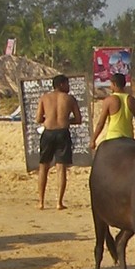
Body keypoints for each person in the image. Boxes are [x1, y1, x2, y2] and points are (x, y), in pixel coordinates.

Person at [35, 74, 81, 211]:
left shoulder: (45, 98)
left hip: (48, 132)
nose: (69, 87)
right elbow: (78, 119)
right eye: (67, 84)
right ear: (61, 84)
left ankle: (41, 202)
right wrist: (66, 120)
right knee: (61, 168)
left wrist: (49, 118)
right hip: (62, 132)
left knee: (43, 166)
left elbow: (38, 118)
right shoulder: (69, 99)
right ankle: (59, 202)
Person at [92, 71, 135, 146]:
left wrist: (93, 140)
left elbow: (100, 124)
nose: (110, 86)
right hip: (129, 139)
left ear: (114, 84)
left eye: (111, 84)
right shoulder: (132, 100)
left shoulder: (109, 100)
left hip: (113, 139)